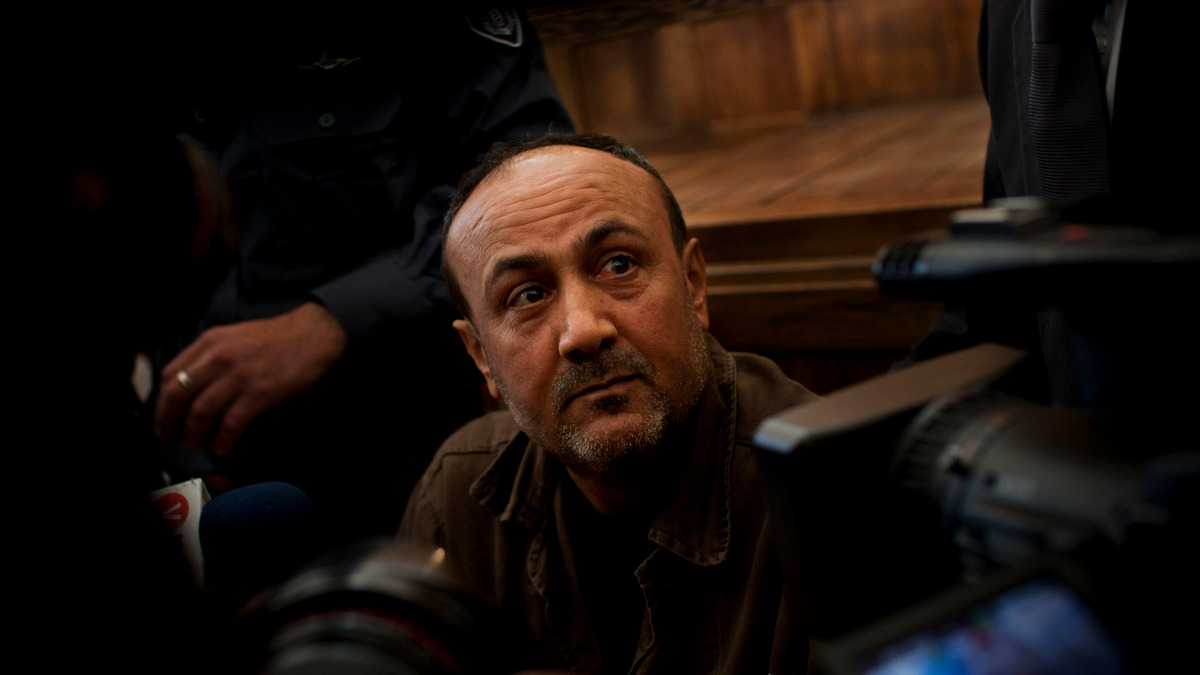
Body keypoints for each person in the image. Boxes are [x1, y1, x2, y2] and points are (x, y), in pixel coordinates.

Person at [399, 134, 819, 674]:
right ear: (481, 356)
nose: (582, 331)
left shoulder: (825, 495)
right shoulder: (456, 499)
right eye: (528, 295)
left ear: (693, 284)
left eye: (618, 265)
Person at [151, 8, 574, 542]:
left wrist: (331, 320)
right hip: (206, 458)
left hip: (402, 436)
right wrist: (184, 441)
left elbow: (522, 189)